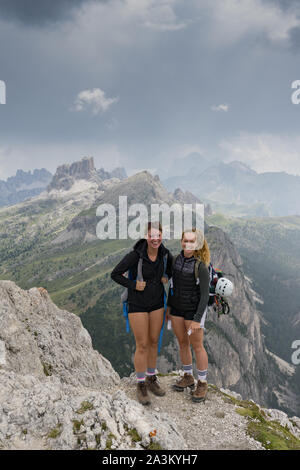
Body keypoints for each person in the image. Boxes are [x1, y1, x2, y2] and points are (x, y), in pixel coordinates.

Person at [111, 221, 173, 405]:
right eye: (152, 236)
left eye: (158, 235)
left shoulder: (165, 254)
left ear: (161, 236)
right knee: (143, 344)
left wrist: (166, 277)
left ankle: (151, 378)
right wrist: (132, 285)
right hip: (137, 304)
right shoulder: (135, 256)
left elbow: (170, 270)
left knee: (154, 341)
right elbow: (115, 274)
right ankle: (140, 384)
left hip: (156, 303)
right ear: (147, 237)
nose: (155, 239)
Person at [167, 228, 210, 402]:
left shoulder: (201, 267)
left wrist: (197, 319)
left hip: (192, 312)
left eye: (192, 241)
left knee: (198, 346)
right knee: (183, 343)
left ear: (197, 244)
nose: (188, 244)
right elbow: (172, 285)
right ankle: (188, 376)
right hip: (176, 309)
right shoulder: (176, 260)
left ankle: (202, 382)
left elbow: (205, 295)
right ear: (181, 241)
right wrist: (169, 308)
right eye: (185, 240)